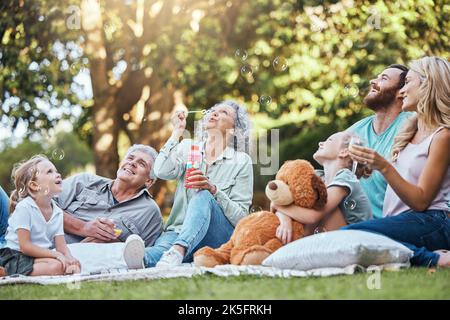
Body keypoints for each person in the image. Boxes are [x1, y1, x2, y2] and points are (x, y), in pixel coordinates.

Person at [347, 56, 450, 267]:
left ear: (427, 84)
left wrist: (384, 166)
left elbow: (421, 201)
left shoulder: (443, 136)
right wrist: (371, 169)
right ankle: (425, 253)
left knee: (351, 236)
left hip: (433, 220)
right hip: (403, 220)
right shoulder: (410, 131)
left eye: (408, 83)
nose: (401, 91)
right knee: (349, 239)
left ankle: (435, 259)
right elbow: (401, 182)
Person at [145, 100, 254, 267]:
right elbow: (160, 171)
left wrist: (213, 190)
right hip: (177, 231)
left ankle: (179, 250)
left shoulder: (241, 161)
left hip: (216, 236)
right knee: (150, 256)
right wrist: (177, 132)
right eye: (213, 110)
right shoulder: (189, 147)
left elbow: (241, 218)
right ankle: (172, 253)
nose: (214, 113)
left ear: (235, 129)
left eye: (224, 112)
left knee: (203, 194)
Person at [271, 131, 372, 243]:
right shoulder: (317, 177)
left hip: (355, 242)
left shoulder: (346, 177)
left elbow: (313, 216)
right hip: (331, 239)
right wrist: (285, 221)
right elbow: (280, 199)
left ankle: (296, 243)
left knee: (323, 206)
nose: (320, 143)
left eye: (329, 140)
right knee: (305, 201)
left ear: (344, 152)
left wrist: (277, 205)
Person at [56, 144, 163, 248]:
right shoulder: (84, 181)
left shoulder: (150, 212)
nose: (132, 163)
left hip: (90, 262)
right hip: (45, 244)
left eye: (142, 164)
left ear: (149, 181)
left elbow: (144, 254)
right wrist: (83, 227)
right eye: (130, 158)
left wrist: (109, 242)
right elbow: (44, 206)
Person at [347, 64, 412, 219]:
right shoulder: (356, 130)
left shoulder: (411, 125)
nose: (372, 81)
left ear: (400, 93)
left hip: (394, 224)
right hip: (354, 222)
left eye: (384, 78)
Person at [0, 155, 81, 277]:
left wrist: (70, 258)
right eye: (49, 172)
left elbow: (62, 247)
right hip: (14, 255)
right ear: (34, 185)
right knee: (57, 265)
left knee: (63, 265)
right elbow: (25, 246)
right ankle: (5, 271)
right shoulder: (25, 208)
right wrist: (56, 255)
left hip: (35, 256)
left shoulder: (57, 212)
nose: (58, 174)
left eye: (56, 171)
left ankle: (12, 271)